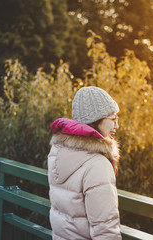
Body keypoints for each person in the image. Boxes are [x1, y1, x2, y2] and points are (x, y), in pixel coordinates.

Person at [47, 86, 122, 239]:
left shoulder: (58, 151)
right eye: (113, 119)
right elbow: (105, 229)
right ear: (96, 120)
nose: (117, 125)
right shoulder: (97, 164)